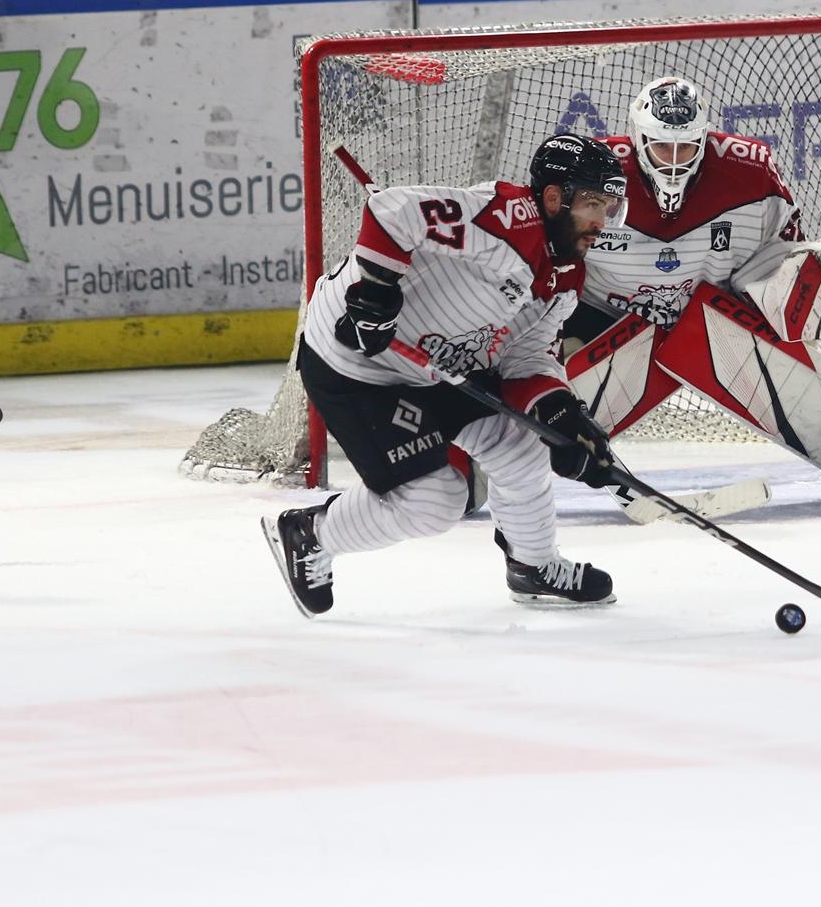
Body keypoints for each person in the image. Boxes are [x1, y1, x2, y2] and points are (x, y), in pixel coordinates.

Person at [262, 133, 628, 617]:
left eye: (611, 207)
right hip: (357, 365)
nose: (602, 222)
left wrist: (565, 417)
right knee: (436, 500)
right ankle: (310, 534)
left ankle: (532, 565)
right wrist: (375, 293)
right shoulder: (503, 221)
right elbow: (393, 210)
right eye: (593, 204)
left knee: (521, 446)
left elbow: (525, 356)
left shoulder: (565, 275)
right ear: (554, 198)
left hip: (440, 366)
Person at [562, 76, 821, 507]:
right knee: (547, 387)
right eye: (662, 147)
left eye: (686, 147)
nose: (674, 161)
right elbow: (552, 261)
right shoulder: (592, 176)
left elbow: (778, 257)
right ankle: (473, 468)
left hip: (709, 318)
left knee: (746, 343)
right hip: (607, 318)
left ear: (704, 138)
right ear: (638, 138)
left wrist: (804, 287)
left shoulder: (750, 172)